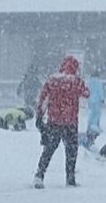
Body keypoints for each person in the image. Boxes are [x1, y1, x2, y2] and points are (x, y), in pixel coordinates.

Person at [35, 56, 90, 188]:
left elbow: (44, 99)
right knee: (71, 150)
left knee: (49, 149)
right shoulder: (76, 81)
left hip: (54, 121)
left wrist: (39, 115)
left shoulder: (52, 80)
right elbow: (86, 93)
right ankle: (70, 178)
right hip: (70, 122)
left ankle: (39, 175)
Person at [82, 64, 106, 149]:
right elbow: (100, 91)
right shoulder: (99, 82)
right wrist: (102, 98)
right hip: (97, 100)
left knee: (92, 113)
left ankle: (89, 125)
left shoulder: (89, 82)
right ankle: (95, 126)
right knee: (97, 113)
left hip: (90, 99)